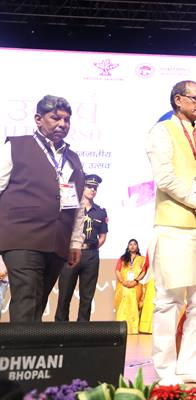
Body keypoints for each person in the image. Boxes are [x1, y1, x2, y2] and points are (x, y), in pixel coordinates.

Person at [146, 80, 196, 386]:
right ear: (178, 99)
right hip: (174, 226)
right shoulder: (161, 131)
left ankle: (190, 364)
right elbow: (164, 177)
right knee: (168, 300)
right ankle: (165, 370)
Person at [0, 95, 85, 322]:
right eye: (55, 118)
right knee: (27, 296)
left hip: (57, 241)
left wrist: (75, 243)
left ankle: (30, 354)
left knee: (39, 301)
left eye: (66, 120)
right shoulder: (16, 147)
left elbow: (77, 206)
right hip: (21, 237)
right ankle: (20, 356)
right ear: (38, 119)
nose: (62, 124)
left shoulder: (73, 159)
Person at [55, 174, 108, 321]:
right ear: (82, 187)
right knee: (64, 294)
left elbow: (103, 236)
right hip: (71, 253)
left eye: (95, 188)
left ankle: (82, 331)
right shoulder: (72, 207)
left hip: (91, 255)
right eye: (89, 187)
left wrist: (92, 246)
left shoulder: (101, 211)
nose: (92, 190)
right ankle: (60, 330)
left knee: (87, 297)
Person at [114, 239, 146, 334]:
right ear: (128, 247)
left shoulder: (142, 259)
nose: (132, 246)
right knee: (123, 306)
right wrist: (123, 281)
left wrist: (135, 281)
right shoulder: (123, 258)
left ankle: (133, 329)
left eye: (134, 244)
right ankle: (121, 329)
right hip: (123, 285)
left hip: (136, 285)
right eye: (130, 244)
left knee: (134, 306)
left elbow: (144, 272)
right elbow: (117, 270)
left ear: (137, 246)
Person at [138, 252, 154, 334]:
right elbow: (146, 266)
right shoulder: (151, 246)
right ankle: (147, 328)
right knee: (150, 303)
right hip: (152, 278)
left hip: (166, 278)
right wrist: (136, 280)